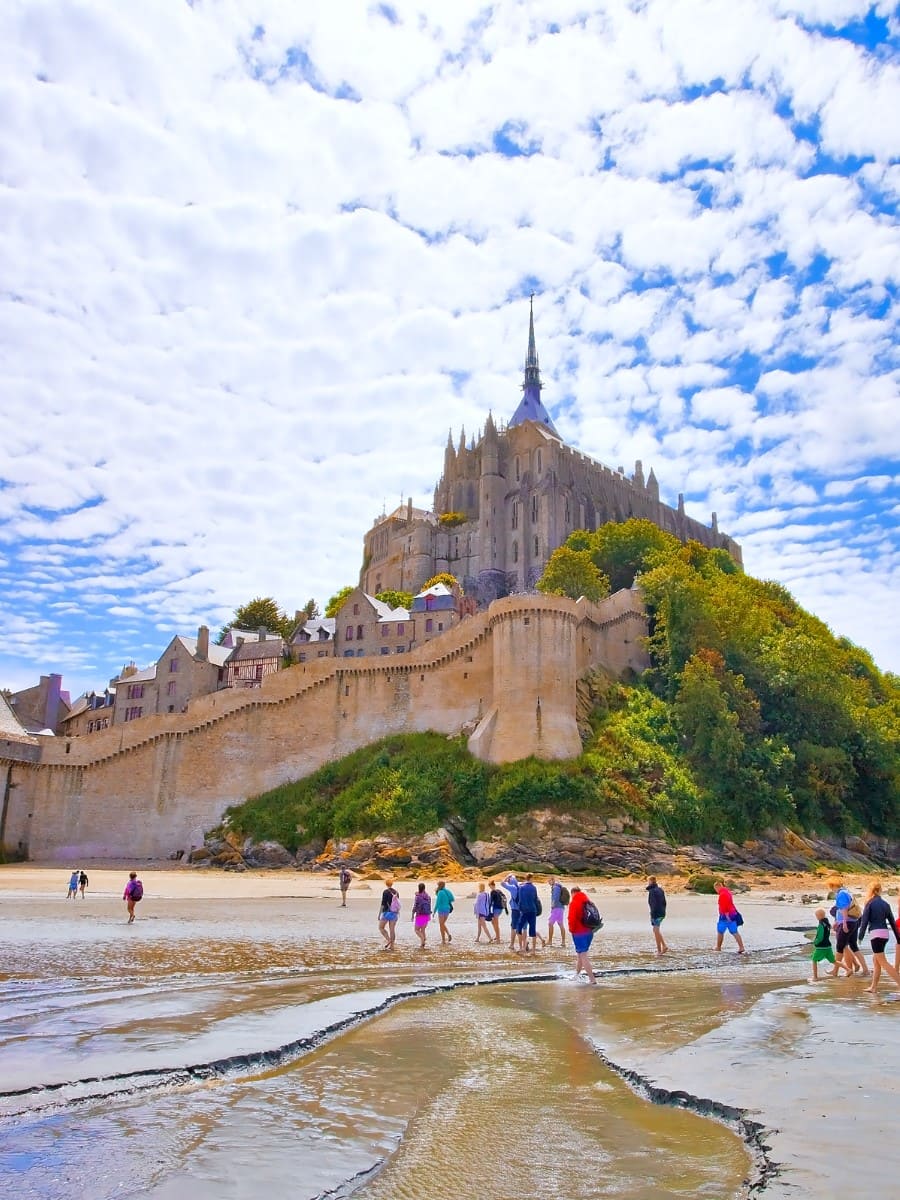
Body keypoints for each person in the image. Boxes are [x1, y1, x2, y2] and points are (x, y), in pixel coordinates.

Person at [857, 881, 900, 994]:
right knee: (876, 960)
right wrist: (898, 938)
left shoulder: (869, 903)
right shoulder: (885, 904)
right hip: (885, 934)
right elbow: (892, 922)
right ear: (880, 890)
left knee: (883, 962)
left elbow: (864, 921)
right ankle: (873, 987)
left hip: (876, 934)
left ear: (871, 891)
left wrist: (860, 936)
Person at [567, 885, 598, 984]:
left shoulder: (574, 903)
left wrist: (571, 930)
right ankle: (577, 975)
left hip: (579, 932)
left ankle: (592, 979)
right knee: (580, 954)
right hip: (589, 931)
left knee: (583, 955)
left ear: (572, 893)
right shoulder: (588, 902)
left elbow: (571, 919)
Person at [713, 880, 745, 954]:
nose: (716, 891)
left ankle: (718, 947)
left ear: (718, 887)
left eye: (715, 889)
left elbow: (725, 906)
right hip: (733, 913)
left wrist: (727, 916)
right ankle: (741, 947)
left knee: (720, 931)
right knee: (734, 931)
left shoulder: (722, 894)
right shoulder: (727, 892)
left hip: (725, 915)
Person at [516, 873, 543, 953]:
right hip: (532, 911)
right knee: (532, 930)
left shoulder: (521, 887)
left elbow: (520, 900)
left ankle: (523, 948)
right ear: (531, 879)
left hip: (524, 911)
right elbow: (535, 899)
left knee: (519, 929)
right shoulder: (534, 888)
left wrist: (520, 909)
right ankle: (533, 950)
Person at [809, 907, 836, 981]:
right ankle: (848, 969)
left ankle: (815, 977)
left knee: (814, 959)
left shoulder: (821, 924)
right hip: (828, 946)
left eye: (816, 916)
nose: (816, 917)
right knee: (833, 961)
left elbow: (820, 937)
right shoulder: (827, 923)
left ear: (819, 916)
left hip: (821, 947)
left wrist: (815, 942)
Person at [647, 876, 669, 954]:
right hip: (662, 912)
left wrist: (652, 914)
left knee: (656, 930)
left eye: (648, 881)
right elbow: (664, 902)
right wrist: (663, 911)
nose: (648, 883)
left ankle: (659, 951)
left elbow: (653, 904)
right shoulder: (660, 889)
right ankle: (664, 946)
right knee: (656, 930)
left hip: (656, 913)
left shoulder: (652, 891)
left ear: (650, 881)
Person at [547, 876, 568, 947]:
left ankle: (550, 941)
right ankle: (563, 942)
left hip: (556, 908)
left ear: (553, 880)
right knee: (560, 924)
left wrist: (552, 906)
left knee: (550, 924)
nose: (548, 882)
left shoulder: (555, 887)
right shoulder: (558, 887)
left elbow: (555, 898)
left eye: (549, 881)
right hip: (561, 908)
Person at [378, 879, 400, 950]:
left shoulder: (385, 892)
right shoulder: (396, 892)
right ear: (392, 884)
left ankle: (388, 940)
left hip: (386, 912)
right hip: (394, 913)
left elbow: (383, 904)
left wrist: (379, 914)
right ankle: (392, 946)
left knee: (381, 927)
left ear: (386, 884)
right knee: (392, 930)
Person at [502, 873, 522, 949]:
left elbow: (502, 883)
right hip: (521, 910)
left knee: (514, 927)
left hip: (515, 910)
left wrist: (507, 876)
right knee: (516, 926)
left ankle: (515, 945)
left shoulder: (513, 887)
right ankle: (517, 943)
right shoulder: (519, 887)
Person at [411, 882, 432, 950]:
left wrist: (412, 915)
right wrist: (429, 915)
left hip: (420, 915)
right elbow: (430, 906)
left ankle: (423, 939)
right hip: (426, 915)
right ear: (424, 888)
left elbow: (415, 906)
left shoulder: (418, 897)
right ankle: (422, 944)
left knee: (416, 930)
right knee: (423, 930)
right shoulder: (428, 897)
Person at [434, 880, 455, 944]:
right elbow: (452, 899)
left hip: (441, 909)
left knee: (441, 925)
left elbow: (437, 902)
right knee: (442, 924)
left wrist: (434, 911)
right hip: (447, 909)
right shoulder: (447, 891)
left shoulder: (440, 892)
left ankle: (443, 940)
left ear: (439, 885)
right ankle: (448, 935)